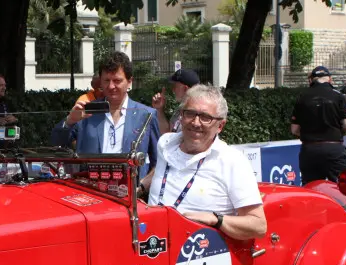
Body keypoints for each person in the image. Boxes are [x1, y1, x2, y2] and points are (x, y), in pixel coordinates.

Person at [142, 85, 267, 241]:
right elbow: (163, 168)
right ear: (181, 115)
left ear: (220, 125)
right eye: (190, 114)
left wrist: (217, 219)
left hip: (197, 254)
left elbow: (258, 225)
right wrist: (140, 187)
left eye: (205, 117)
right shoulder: (165, 144)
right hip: (151, 245)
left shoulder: (232, 161)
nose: (195, 122)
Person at [51, 51, 161, 181]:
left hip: (130, 194)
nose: (111, 86)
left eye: (117, 81)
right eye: (106, 81)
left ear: (129, 81)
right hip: (91, 191)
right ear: (100, 82)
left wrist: (141, 187)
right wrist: (69, 121)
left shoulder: (146, 115)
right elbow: (56, 145)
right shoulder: (86, 113)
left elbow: (158, 163)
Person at [290, 66, 346, 184]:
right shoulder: (338, 96)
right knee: (344, 187)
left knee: (312, 189)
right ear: (329, 79)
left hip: (309, 149)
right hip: (333, 148)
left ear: (312, 80)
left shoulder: (302, 97)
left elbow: (294, 130)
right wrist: (339, 132)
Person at [152, 68, 200, 135]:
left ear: (185, 89)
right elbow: (167, 134)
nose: (173, 90)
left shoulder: (198, 112)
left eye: (175, 86)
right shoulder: (181, 108)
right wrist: (159, 109)